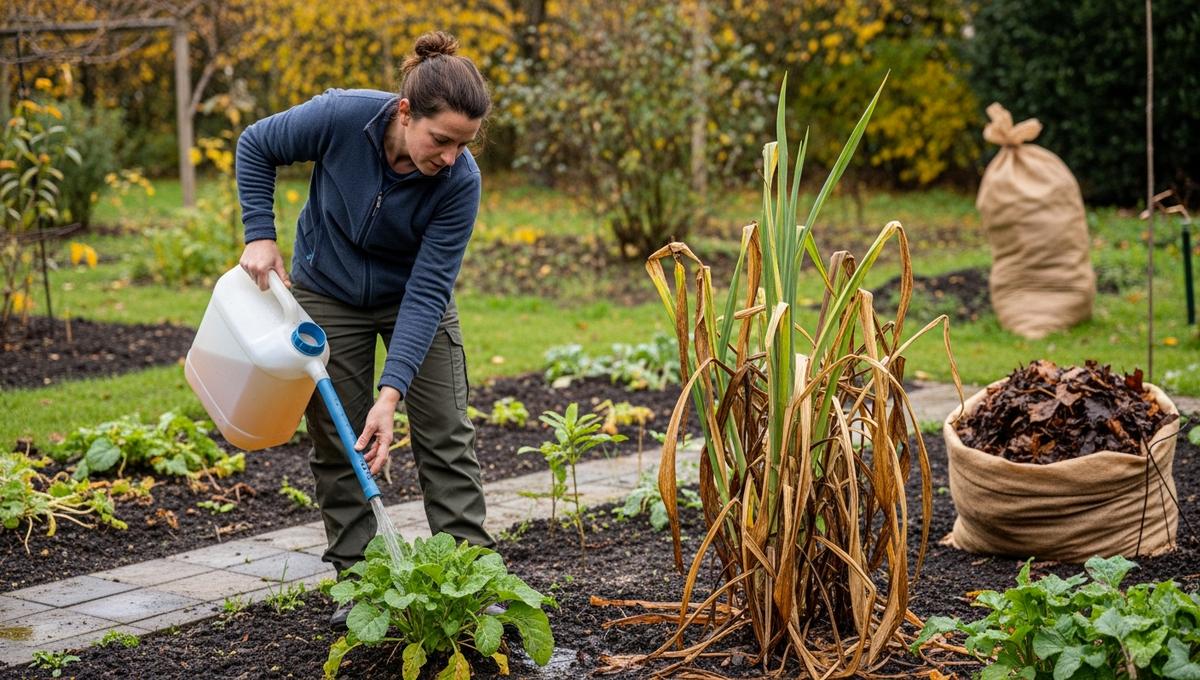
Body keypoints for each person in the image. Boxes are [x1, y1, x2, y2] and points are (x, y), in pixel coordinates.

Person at [234, 31, 493, 628]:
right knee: (338, 438)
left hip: (413, 300)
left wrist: (391, 393)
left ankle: (472, 584)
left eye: (464, 144)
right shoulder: (341, 116)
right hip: (329, 289)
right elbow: (256, 145)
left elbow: (428, 291)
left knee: (447, 434)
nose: (451, 156)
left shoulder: (460, 182)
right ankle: (359, 585)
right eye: (441, 139)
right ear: (406, 113)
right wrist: (259, 233)